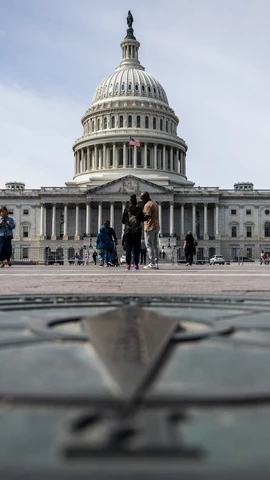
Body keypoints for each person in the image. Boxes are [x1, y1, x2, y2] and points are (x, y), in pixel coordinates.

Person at [122, 194, 144, 270]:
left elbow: (123, 221)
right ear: (136, 202)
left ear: (130, 202)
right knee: (136, 248)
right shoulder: (139, 209)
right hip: (137, 231)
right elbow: (142, 219)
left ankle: (128, 265)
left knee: (128, 249)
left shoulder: (126, 210)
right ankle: (136, 264)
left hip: (128, 231)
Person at [140, 191, 160, 270]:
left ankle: (152, 263)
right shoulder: (154, 203)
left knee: (149, 245)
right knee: (155, 245)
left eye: (142, 198)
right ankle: (156, 263)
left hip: (149, 227)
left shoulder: (147, 205)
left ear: (146, 197)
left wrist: (140, 217)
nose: (142, 200)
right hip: (156, 226)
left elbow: (147, 216)